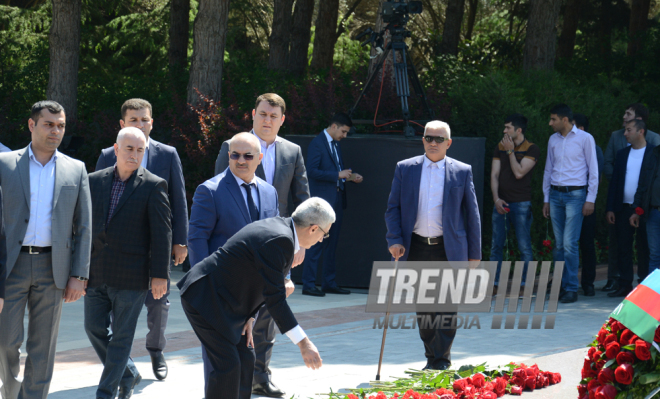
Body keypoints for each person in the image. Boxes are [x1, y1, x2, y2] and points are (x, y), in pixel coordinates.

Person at [177, 198, 332, 399]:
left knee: (246, 358)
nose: (321, 239)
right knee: (228, 366)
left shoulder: (282, 232)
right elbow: (275, 299)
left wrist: (249, 317)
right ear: (313, 228)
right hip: (205, 297)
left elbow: (260, 282)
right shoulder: (280, 239)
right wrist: (304, 343)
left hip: (228, 302)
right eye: (324, 234)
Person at [214, 93, 309, 398]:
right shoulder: (234, 147)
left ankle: (260, 377)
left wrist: (301, 242)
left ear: (282, 120)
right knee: (235, 311)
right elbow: (217, 190)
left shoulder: (292, 152)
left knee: (268, 311)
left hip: (275, 247)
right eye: (263, 114)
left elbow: (301, 199)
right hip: (236, 245)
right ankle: (233, 374)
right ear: (253, 115)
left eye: (274, 116)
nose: (267, 120)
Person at [0, 100, 92, 399]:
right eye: (49, 124)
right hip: (10, 267)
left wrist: (79, 274)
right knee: (5, 341)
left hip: (53, 267)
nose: (56, 131)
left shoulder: (75, 169)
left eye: (61, 125)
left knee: (43, 346)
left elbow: (85, 226)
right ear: (31, 125)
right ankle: (11, 393)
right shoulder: (5, 164)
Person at [96, 98, 188, 381]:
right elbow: (97, 198)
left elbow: (179, 199)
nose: (140, 124)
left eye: (145, 120)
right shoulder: (107, 154)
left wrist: (180, 241)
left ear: (152, 122)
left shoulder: (167, 154)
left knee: (158, 302)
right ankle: (124, 365)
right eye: (134, 120)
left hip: (156, 244)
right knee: (109, 311)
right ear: (122, 125)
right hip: (117, 250)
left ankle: (156, 348)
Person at [385, 120, 481, 370]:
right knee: (425, 309)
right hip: (416, 247)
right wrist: (394, 239)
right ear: (423, 140)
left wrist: (474, 253)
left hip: (450, 248)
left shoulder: (462, 171)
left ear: (449, 143)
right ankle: (432, 357)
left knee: (447, 308)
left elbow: (472, 214)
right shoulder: (405, 168)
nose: (433, 143)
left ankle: (441, 360)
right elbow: (393, 208)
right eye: (429, 138)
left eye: (439, 139)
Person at [188, 132, 280, 393]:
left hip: (253, 293)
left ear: (259, 159)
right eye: (235, 155)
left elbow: (272, 240)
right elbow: (197, 239)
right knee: (221, 366)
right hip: (219, 293)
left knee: (246, 360)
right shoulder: (210, 190)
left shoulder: (269, 193)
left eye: (248, 155)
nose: (241, 160)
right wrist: (204, 285)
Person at [85, 127, 172, 399]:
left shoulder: (153, 184)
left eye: (140, 150)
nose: (134, 155)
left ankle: (105, 393)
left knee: (122, 337)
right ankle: (129, 373)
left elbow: (162, 233)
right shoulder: (93, 180)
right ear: (116, 148)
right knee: (93, 327)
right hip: (96, 271)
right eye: (129, 149)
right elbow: (84, 228)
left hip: (132, 276)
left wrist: (160, 275)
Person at [542, 104, 599, 304]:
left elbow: (593, 170)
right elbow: (548, 169)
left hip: (576, 195)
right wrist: (546, 199)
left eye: (553, 119)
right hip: (556, 195)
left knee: (569, 243)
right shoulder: (553, 140)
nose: (550, 123)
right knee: (559, 245)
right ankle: (560, 286)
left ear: (564, 120)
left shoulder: (585, 139)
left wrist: (590, 199)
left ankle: (571, 288)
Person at [302, 113, 363, 297]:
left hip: (336, 199)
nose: (344, 135)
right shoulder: (317, 143)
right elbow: (311, 171)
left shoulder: (335, 144)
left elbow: (336, 171)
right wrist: (338, 175)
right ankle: (309, 284)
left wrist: (350, 177)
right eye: (343, 131)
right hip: (321, 203)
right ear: (334, 126)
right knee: (315, 243)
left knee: (331, 243)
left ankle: (329, 282)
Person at [602, 103, 659, 292]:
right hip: (623, 207)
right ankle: (624, 285)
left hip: (644, 207)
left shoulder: (653, 152)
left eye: (628, 130)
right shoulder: (622, 154)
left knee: (646, 248)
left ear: (640, 131)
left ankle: (644, 286)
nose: (625, 134)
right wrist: (611, 207)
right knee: (623, 247)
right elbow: (615, 183)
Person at [489, 113, 539, 292]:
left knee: (524, 245)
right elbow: (494, 174)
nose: (504, 131)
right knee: (496, 245)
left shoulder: (531, 148)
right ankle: (493, 284)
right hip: (501, 202)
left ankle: (526, 285)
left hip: (521, 203)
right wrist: (496, 199)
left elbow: (519, 173)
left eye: (508, 128)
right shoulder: (500, 146)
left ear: (518, 130)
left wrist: (510, 151)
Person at [573, 113, 604, 297]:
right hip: (567, 201)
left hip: (586, 201)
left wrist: (589, 200)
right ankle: (566, 281)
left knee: (586, 243)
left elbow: (596, 178)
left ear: (582, 129)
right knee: (567, 243)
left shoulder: (594, 148)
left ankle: (588, 283)